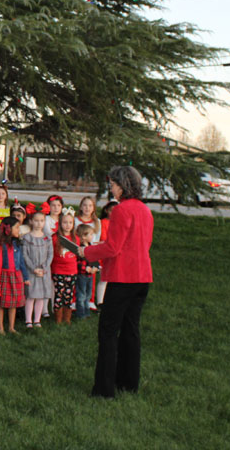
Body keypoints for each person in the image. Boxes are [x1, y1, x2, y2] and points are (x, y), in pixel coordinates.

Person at [82, 166, 154, 399]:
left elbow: (113, 247)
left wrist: (87, 252)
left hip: (123, 278)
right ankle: (128, 382)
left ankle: (104, 390)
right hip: (142, 277)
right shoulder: (145, 210)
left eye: (113, 183)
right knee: (131, 331)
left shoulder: (122, 210)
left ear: (123, 185)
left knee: (108, 332)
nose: (111, 187)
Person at [0, 217, 27, 334]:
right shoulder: (1, 244)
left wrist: (26, 276)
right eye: (17, 227)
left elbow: (21, 261)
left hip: (16, 274)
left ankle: (11, 327)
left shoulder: (17, 244)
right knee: (1, 302)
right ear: (8, 229)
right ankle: (1, 327)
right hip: (4, 274)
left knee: (13, 302)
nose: (19, 230)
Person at [21, 210, 52, 329]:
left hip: (44, 271)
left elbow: (50, 255)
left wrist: (44, 268)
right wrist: (34, 268)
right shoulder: (27, 238)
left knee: (40, 297)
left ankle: (37, 320)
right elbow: (25, 255)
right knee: (31, 296)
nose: (39, 223)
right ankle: (28, 320)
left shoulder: (47, 238)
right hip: (31, 271)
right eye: (36, 221)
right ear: (31, 221)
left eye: (42, 221)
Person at [50, 212, 78, 324]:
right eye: (65, 222)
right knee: (59, 293)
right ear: (60, 224)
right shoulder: (55, 238)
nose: (68, 225)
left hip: (72, 271)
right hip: (58, 270)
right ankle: (58, 319)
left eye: (70, 222)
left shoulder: (75, 238)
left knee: (69, 294)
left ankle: (67, 318)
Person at [74, 224, 98, 319]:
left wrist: (95, 267)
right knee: (81, 294)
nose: (92, 236)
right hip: (82, 275)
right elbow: (78, 262)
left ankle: (86, 312)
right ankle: (80, 313)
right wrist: (85, 268)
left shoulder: (91, 246)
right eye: (90, 234)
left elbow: (94, 259)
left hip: (90, 275)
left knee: (88, 294)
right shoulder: (80, 248)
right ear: (83, 236)